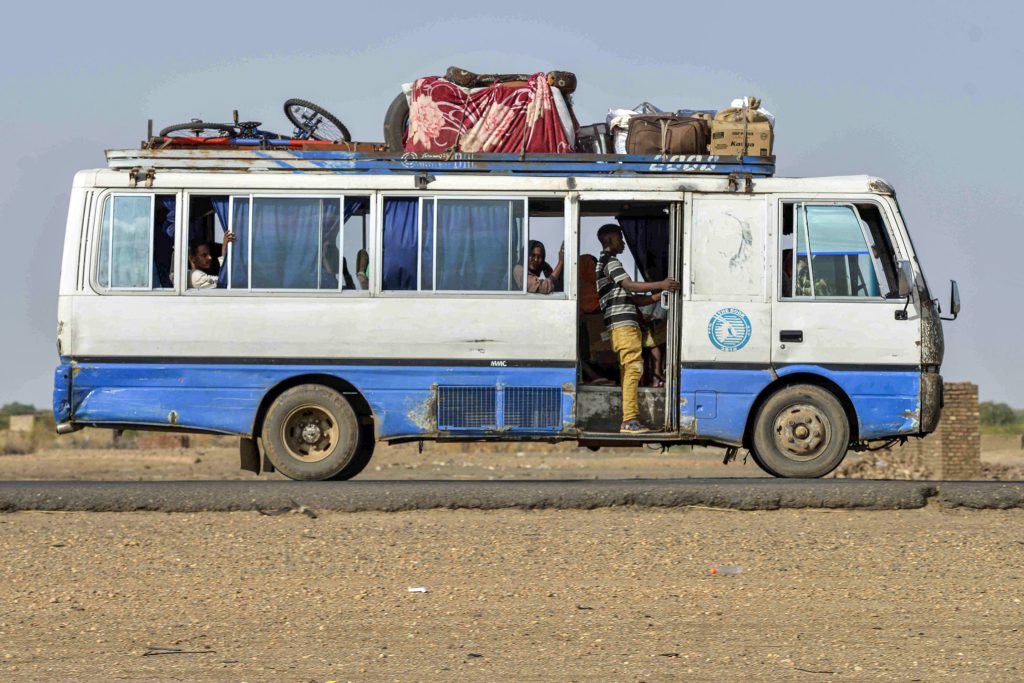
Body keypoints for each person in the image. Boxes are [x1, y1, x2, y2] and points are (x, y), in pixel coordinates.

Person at [595, 223, 679, 433]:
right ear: (610, 241)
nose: (623, 243)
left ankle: (629, 418)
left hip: (622, 325)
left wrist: (660, 295)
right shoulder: (610, 262)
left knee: (629, 371)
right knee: (634, 369)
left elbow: (634, 300)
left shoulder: (606, 265)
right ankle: (630, 421)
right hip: (623, 325)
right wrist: (661, 283)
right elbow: (630, 286)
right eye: (620, 239)